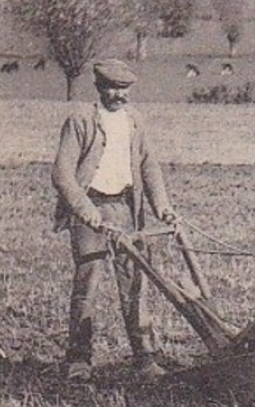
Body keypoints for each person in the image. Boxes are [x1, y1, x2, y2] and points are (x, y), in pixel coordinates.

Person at [51, 59, 177, 382]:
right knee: (88, 282)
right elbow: (62, 174)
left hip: (125, 207)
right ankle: (79, 359)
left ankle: (145, 358)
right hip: (90, 208)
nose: (119, 95)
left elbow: (149, 166)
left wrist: (162, 205)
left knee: (135, 281)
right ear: (99, 87)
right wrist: (84, 209)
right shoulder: (81, 120)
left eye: (124, 89)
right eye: (112, 88)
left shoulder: (134, 121)